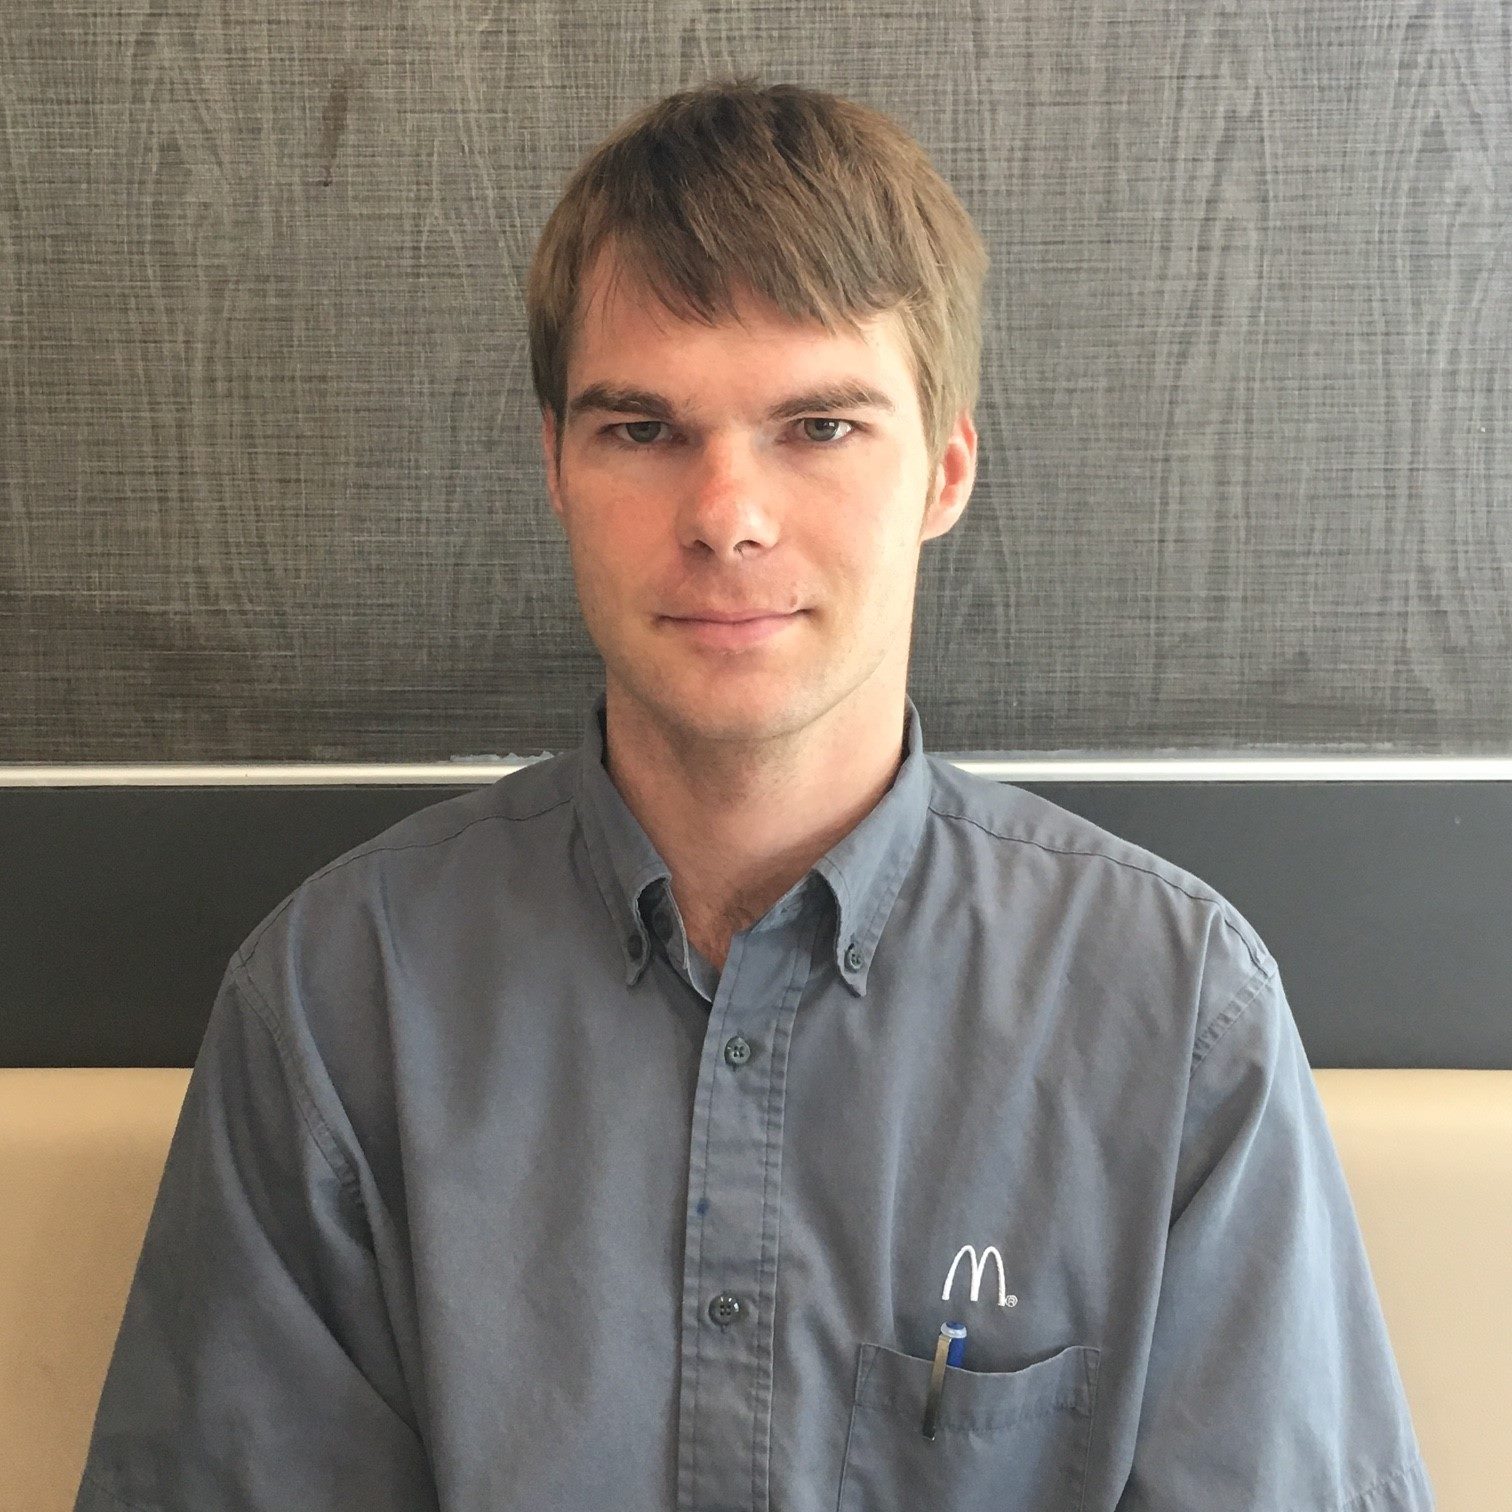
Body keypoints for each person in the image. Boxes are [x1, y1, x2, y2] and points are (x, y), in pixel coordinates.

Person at [75, 75, 1433, 1511]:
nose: (727, 515)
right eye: (641, 429)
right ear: (555, 467)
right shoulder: (340, 1002)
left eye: (820, 427)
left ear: (945, 471)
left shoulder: (1174, 1013)